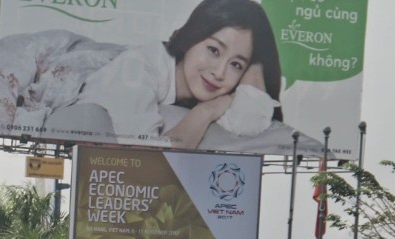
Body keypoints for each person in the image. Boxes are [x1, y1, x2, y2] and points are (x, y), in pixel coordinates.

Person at [47, 0, 283, 150]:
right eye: (213, 50)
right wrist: (206, 112)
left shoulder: (206, 90)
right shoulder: (138, 68)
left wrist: (257, 66)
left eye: (236, 65)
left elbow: (252, 119)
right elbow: (149, 157)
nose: (220, 72)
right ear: (193, 35)